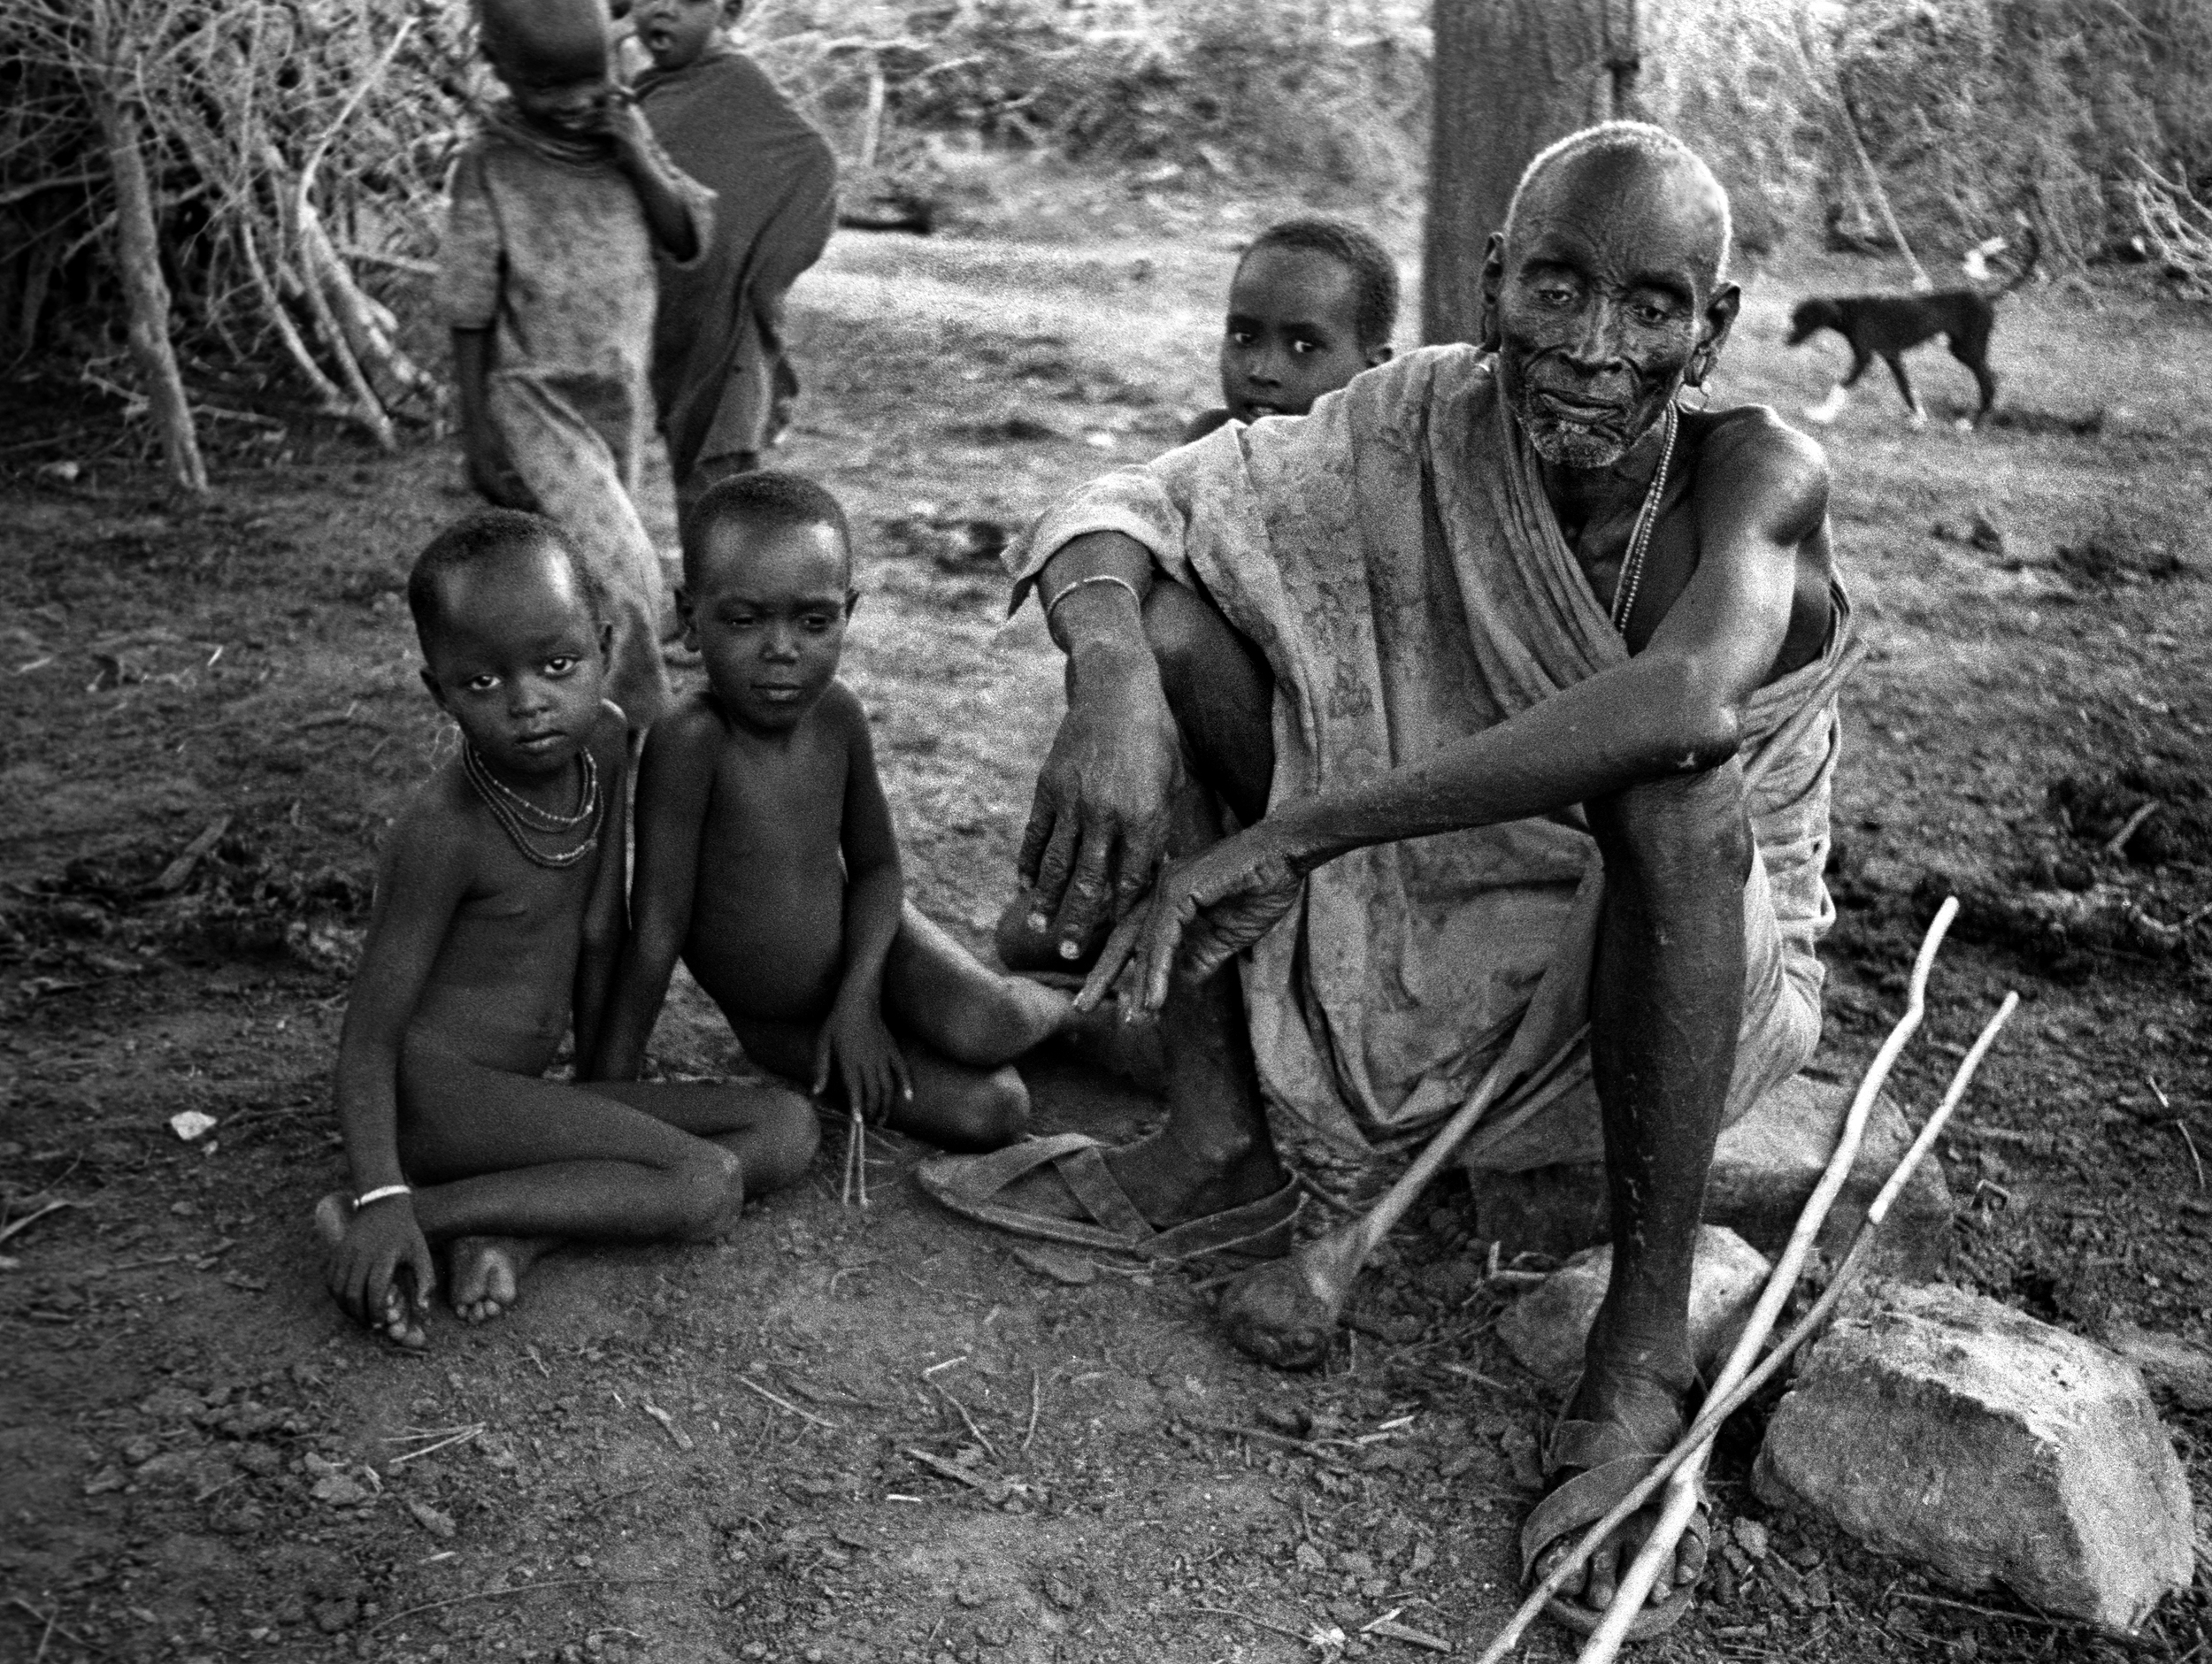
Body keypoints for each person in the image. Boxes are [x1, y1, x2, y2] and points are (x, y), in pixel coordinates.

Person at [924, 123, 1857, 1639]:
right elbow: (1141, 503)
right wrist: (1109, 683)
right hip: (1425, 920)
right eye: (1556, 288)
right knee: (1168, 635)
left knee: (1673, 796)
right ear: (1492, 281)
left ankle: (1634, 1356)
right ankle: (1215, 1121)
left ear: (1718, 326)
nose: (1596, 349)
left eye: (1653, 307)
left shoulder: (1759, 474)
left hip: (1675, 961)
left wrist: (1303, 832)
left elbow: (1685, 702)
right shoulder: (1420, 418)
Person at [316, 510, 819, 1351]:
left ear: (606, 645)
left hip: (522, 1096)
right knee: (702, 1183)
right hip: (438, 1105)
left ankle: (525, 1227)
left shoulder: (608, 742)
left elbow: (599, 931)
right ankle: (412, 1215)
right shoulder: (443, 829)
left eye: (557, 665)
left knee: (785, 1126)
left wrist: (601, 1094)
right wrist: (380, 1195)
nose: (528, 703)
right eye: (482, 684)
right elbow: (368, 1039)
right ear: (436, 689)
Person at [592, 472, 1073, 1149]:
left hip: (873, 950)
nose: (782, 648)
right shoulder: (690, 742)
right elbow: (656, 933)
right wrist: (606, 1089)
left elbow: (877, 871)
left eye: (814, 621)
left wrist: (859, 1001)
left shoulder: (837, 714)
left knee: (987, 1024)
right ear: (689, 617)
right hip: (781, 1025)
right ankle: (966, 1019)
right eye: (743, 619)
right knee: (992, 1109)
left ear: (848, 611)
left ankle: (1080, 1013)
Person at [437, 0, 716, 732]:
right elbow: (468, 309)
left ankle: (562, 733)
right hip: (535, 403)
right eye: (547, 88)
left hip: (618, 399)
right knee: (630, 583)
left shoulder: (621, 130)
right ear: (498, 70)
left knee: (586, 580)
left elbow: (688, 236)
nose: (572, 105)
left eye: (587, 83)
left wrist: (634, 151)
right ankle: (653, 749)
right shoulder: (489, 163)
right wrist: (477, 431)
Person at [628, 0, 839, 517]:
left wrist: (759, 277)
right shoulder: (641, 93)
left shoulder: (737, 84)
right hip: (666, 311)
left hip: (724, 318)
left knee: (717, 483)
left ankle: (726, 591)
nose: (664, 10)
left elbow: (812, 163)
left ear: (729, 8)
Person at [1179, 216, 1400, 446]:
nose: (1261, 371)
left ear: (1374, 372)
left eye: (1304, 347)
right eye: (1245, 338)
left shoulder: (1393, 472)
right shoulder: (1211, 445)